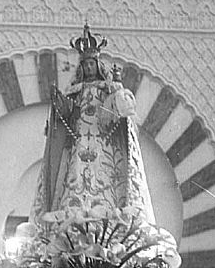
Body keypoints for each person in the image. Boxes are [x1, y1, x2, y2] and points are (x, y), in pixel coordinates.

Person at [30, 24, 154, 225]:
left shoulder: (108, 89)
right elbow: (66, 114)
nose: (88, 68)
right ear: (81, 67)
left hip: (104, 143)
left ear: (98, 65)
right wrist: (59, 103)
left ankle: (110, 211)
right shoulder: (75, 90)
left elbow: (123, 113)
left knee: (106, 175)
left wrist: (117, 93)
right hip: (78, 143)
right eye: (85, 65)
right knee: (74, 174)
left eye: (91, 64)